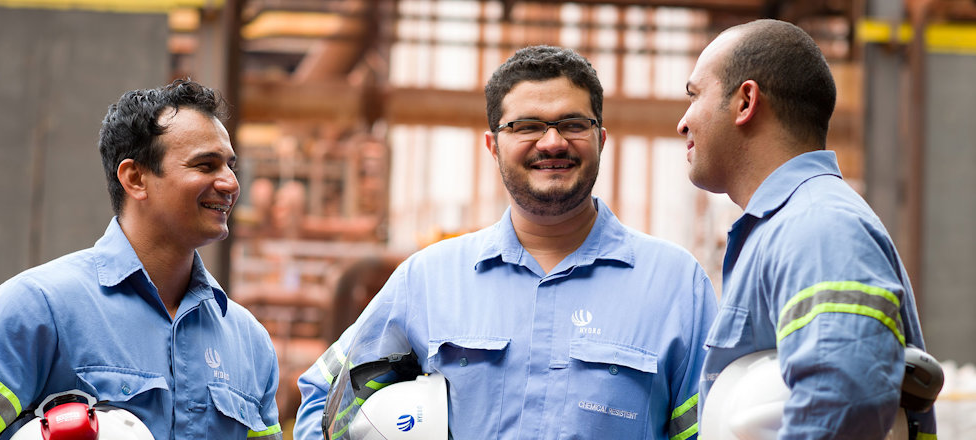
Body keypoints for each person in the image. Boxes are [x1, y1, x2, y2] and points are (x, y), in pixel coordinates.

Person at [294, 45, 717, 439]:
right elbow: (324, 401)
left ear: (600, 140)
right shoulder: (428, 280)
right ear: (493, 146)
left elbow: (712, 430)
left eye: (573, 124)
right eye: (526, 126)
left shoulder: (675, 286)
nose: (552, 142)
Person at [0, 79, 282, 439]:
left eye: (230, 166)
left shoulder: (250, 343)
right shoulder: (40, 308)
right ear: (135, 178)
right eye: (206, 165)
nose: (230, 183)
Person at [677, 19, 935, 438]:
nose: (683, 122)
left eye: (694, 95)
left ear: (745, 102)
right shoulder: (792, 226)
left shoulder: (817, 227)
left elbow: (844, 400)